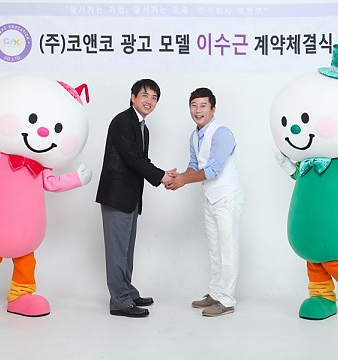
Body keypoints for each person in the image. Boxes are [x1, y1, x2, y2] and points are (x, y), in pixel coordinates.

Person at [96, 78, 174, 318]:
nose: (149, 101)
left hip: (130, 196)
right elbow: (132, 158)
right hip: (117, 195)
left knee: (126, 250)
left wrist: (163, 174)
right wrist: (161, 176)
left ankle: (126, 291)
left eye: (154, 98)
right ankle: (119, 301)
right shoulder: (123, 121)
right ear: (133, 97)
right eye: (145, 95)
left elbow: (141, 160)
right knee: (117, 251)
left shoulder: (142, 127)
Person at [166, 87, 245, 317]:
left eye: (203, 105)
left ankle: (227, 300)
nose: (198, 110)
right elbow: (194, 165)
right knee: (215, 249)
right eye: (194, 105)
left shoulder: (222, 133)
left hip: (227, 197)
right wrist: (178, 177)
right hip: (210, 198)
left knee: (227, 249)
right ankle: (216, 293)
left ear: (213, 109)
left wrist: (183, 180)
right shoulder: (194, 135)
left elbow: (213, 170)